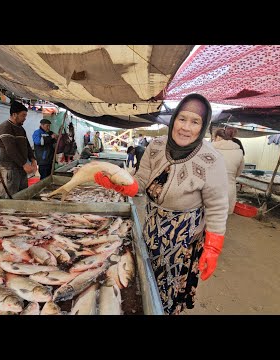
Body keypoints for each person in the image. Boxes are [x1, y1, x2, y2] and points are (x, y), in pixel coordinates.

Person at [94, 93, 229, 315]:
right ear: (173, 119)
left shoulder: (211, 160)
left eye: (195, 122)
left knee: (171, 288)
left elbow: (217, 207)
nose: (186, 127)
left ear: (203, 126)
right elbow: (141, 181)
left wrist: (213, 247)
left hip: (184, 238)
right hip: (154, 225)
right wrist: (120, 184)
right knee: (147, 277)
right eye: (182, 119)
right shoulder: (156, 146)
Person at [0, 101, 37, 195]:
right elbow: (11, 149)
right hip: (11, 167)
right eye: (23, 115)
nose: (25, 118)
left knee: (23, 193)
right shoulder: (5, 127)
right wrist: (24, 164)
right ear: (14, 115)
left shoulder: (21, 128)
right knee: (12, 195)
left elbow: (27, 145)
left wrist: (33, 159)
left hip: (21, 167)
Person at [212, 128, 245, 214]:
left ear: (218, 137)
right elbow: (239, 172)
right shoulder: (239, 152)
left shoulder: (210, 149)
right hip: (229, 189)